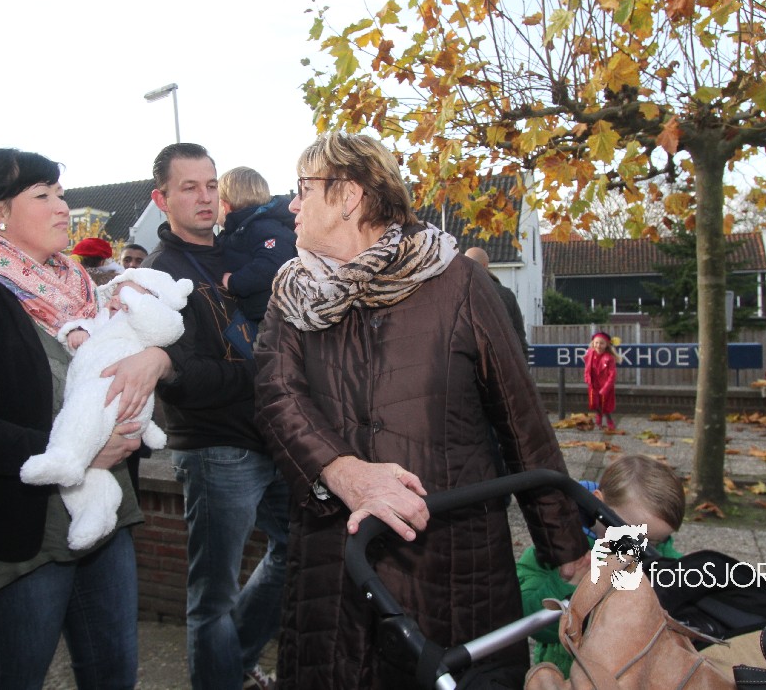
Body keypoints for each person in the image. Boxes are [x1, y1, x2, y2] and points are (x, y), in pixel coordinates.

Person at [253, 132, 587, 689]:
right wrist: (343, 472)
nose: (292, 204)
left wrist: (567, 549)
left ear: (348, 196)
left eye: (303, 188)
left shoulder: (457, 282)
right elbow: (275, 394)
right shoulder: (291, 293)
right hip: (335, 558)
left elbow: (520, 416)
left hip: (449, 558)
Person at [0, 148, 172, 690]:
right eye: (43, 195)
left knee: (114, 675)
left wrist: (158, 359)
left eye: (62, 194)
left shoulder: (85, 292)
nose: (63, 207)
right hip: (16, 534)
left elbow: (131, 356)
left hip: (105, 520)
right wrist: (77, 453)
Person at [144, 142, 289, 690]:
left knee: (298, 551)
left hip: (274, 434)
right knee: (213, 596)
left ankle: (236, 661)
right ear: (161, 199)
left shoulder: (241, 249)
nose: (205, 197)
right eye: (189, 188)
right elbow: (183, 378)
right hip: (216, 449)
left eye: (211, 185)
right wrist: (267, 372)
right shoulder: (160, 274)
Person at [516, 455, 685, 678]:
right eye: (630, 536)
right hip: (569, 675)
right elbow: (528, 623)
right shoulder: (557, 551)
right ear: (598, 503)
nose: (638, 550)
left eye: (652, 543)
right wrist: (564, 585)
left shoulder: (664, 559)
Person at [216, 166, 297, 325]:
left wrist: (234, 282)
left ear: (225, 206)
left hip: (273, 317)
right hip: (257, 313)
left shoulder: (263, 227)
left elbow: (273, 264)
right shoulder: (239, 231)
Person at [463, 246, 529, 358]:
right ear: (485, 265)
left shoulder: (457, 296)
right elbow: (519, 339)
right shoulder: (506, 296)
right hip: (502, 363)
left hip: (468, 364)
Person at [584, 330, 619, 428]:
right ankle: (598, 415)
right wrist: (587, 379)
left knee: (605, 404)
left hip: (604, 384)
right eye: (596, 343)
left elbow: (612, 374)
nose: (598, 345)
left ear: (607, 345)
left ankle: (609, 419)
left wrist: (606, 387)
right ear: (593, 343)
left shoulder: (609, 358)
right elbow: (587, 368)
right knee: (594, 403)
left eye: (601, 343)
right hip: (593, 383)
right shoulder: (590, 353)